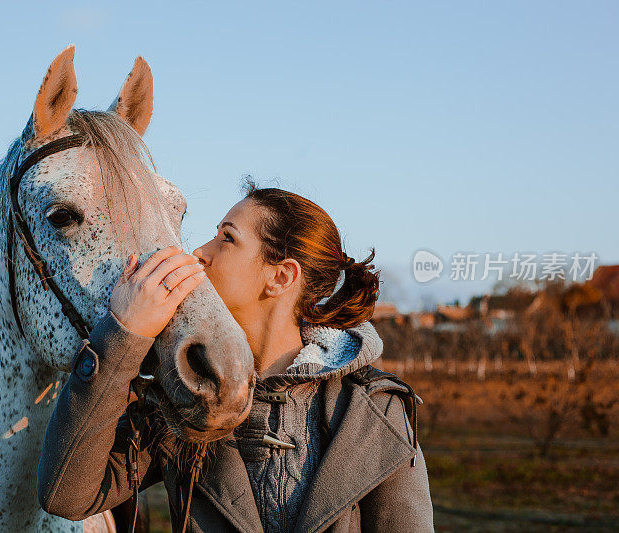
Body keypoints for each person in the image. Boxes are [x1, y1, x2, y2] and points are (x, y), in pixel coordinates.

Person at [38, 181, 435, 532]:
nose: (199, 252)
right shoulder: (186, 394)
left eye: (226, 238)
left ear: (281, 276)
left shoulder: (373, 413)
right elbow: (66, 496)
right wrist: (122, 336)